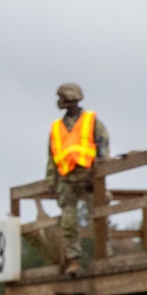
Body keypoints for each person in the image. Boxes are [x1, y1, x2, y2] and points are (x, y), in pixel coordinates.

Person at [46, 82, 109, 275]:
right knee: (69, 222)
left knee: (99, 216)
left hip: (90, 176)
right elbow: (52, 156)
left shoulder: (92, 121)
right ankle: (73, 261)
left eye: (63, 98)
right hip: (67, 180)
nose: (60, 102)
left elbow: (103, 148)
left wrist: (98, 172)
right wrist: (51, 182)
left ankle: (105, 256)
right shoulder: (57, 127)